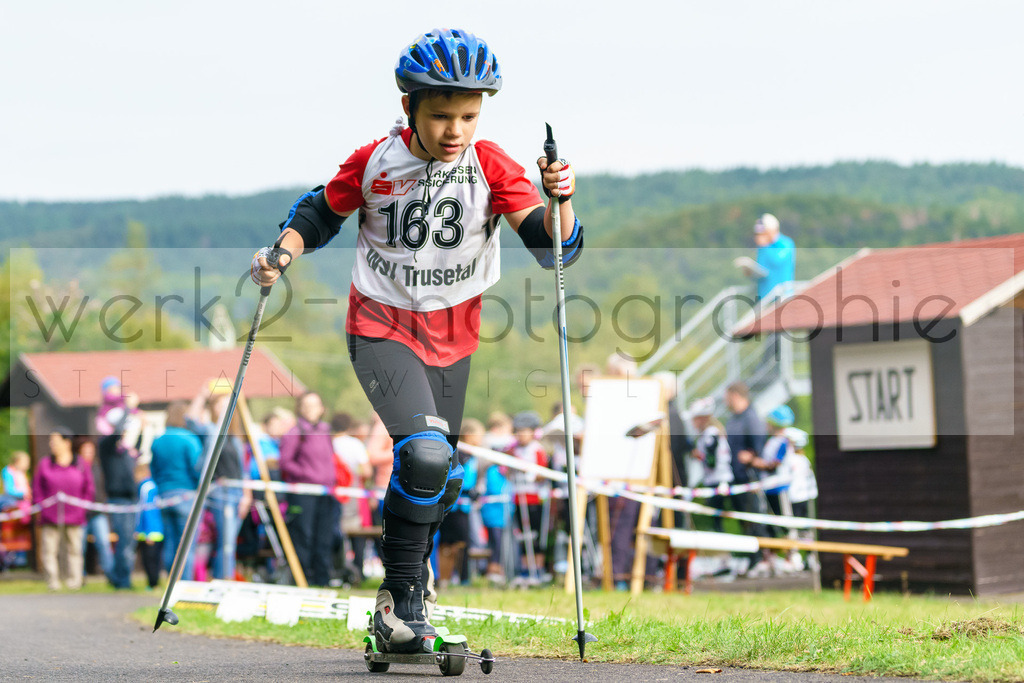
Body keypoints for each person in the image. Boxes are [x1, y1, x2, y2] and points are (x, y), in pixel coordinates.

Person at [251, 28, 584, 654]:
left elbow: (552, 249)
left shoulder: (490, 163)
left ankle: (400, 600)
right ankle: (404, 602)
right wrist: (281, 254)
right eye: (440, 115)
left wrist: (561, 200)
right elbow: (318, 212)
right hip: (380, 326)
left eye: (468, 115)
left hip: (454, 338)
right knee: (426, 456)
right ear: (409, 108)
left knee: (441, 475)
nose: (455, 129)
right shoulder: (376, 159)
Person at [186, 380, 253, 581]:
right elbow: (190, 419)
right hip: (220, 492)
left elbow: (244, 470)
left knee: (229, 541)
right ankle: (223, 580)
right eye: (220, 405)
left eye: (228, 405)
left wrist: (247, 496)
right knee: (226, 542)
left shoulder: (235, 437)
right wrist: (202, 395)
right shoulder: (212, 432)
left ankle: (223, 577)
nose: (224, 409)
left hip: (237, 493)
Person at [278, 391, 338, 587]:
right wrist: (306, 474)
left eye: (316, 405)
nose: (312, 410)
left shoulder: (325, 430)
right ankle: (300, 580)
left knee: (324, 537)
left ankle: (322, 581)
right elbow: (285, 463)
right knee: (303, 536)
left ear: (322, 409)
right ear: (300, 409)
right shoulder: (295, 433)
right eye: (308, 405)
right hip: (303, 493)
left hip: (326, 492)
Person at [32, 428, 94, 590]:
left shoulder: (80, 463)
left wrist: (82, 508)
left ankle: (75, 580)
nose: (52, 444)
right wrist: (43, 507)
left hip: (75, 516)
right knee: (49, 550)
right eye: (51, 441)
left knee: (74, 549)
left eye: (55, 440)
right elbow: (37, 489)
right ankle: (52, 581)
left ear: (66, 443)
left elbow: (89, 488)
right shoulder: (45, 464)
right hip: (50, 516)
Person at [150, 401, 203, 581]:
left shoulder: (158, 441)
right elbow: (197, 468)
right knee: (186, 545)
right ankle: (183, 584)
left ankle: (170, 583)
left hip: (165, 496)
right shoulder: (189, 439)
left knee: (170, 543)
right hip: (186, 495)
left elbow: (154, 470)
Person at [723, 381, 770, 577]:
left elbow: (759, 448)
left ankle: (764, 560)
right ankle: (753, 560)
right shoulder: (734, 419)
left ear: (735, 395)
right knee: (744, 521)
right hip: (736, 478)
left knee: (756, 521)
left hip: (750, 478)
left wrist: (751, 458)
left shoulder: (751, 418)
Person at [97, 408, 142, 589]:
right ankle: (121, 580)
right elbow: (116, 433)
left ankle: (120, 577)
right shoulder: (106, 447)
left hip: (131, 500)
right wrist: (128, 409)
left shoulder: (125, 451)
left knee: (129, 542)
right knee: (124, 541)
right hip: (118, 500)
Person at [437, 418, 482, 587]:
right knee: (451, 543)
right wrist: (467, 491)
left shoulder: (472, 454)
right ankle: (447, 579)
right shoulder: (460, 453)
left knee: (461, 543)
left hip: (464, 506)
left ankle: (461, 578)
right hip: (453, 506)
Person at [734, 213, 795, 304]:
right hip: (765, 298)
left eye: (763, 232)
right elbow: (762, 272)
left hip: (782, 296)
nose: (759, 236)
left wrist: (765, 245)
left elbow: (776, 262)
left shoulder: (786, 244)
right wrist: (750, 272)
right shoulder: (762, 248)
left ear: (772, 230)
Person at [135, 458, 164, 590]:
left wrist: (145, 531)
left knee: (150, 560)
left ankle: (153, 584)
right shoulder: (154, 486)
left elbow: (147, 511)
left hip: (149, 532)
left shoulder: (146, 487)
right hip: (155, 530)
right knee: (154, 559)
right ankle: (153, 583)